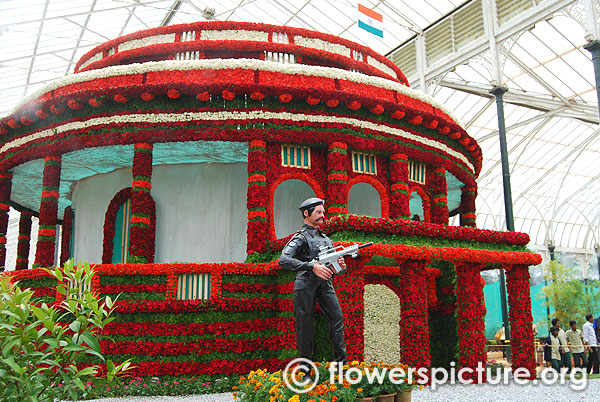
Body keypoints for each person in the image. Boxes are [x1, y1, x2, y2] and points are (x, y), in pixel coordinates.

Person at [279, 197, 348, 369]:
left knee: (337, 319)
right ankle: (306, 371)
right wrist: (311, 267)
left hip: (326, 284)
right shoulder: (300, 238)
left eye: (323, 212)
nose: (322, 215)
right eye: (318, 212)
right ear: (306, 213)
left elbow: (335, 268)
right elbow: (284, 260)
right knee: (305, 326)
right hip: (305, 284)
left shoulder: (326, 239)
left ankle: (342, 368)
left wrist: (340, 266)